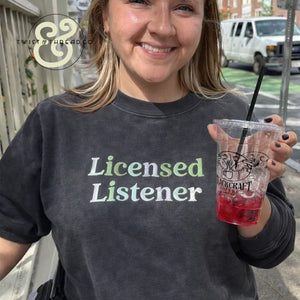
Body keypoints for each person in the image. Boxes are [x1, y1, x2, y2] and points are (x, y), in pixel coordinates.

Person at [0, 0, 297, 299]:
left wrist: (249, 192)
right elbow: (7, 234)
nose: (162, 27)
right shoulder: (55, 122)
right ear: (104, 17)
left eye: (183, 7)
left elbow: (271, 250)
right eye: (140, 1)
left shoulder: (234, 119)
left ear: (204, 22)